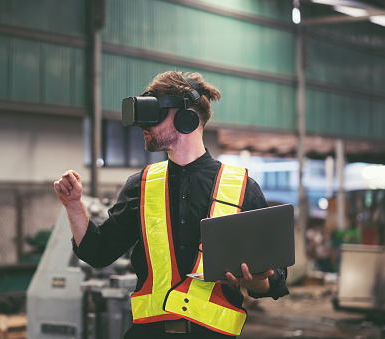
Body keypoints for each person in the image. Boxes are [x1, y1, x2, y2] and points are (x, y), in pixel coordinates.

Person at [54, 71, 289, 338]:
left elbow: (275, 279)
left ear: (185, 116)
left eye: (154, 113)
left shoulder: (242, 187)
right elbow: (98, 252)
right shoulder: (140, 186)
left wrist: (258, 282)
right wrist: (73, 205)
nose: (143, 125)